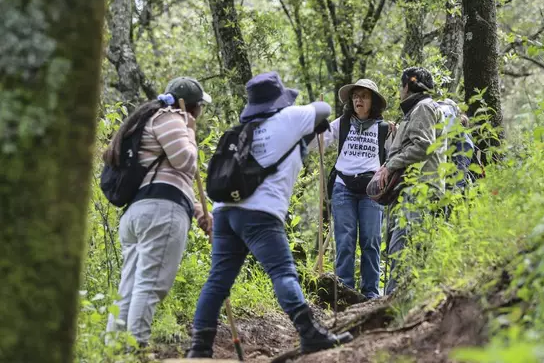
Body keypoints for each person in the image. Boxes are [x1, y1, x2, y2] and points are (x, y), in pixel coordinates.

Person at [186, 72, 352, 359]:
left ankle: (199, 348)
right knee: (282, 272)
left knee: (218, 280)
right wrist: (306, 119)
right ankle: (310, 334)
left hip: (225, 212)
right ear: (278, 101)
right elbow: (323, 110)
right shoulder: (288, 119)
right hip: (260, 214)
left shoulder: (243, 129)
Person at [105, 77, 214, 347]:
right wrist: (189, 131)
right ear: (192, 106)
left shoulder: (152, 119)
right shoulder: (172, 118)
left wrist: (198, 210)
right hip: (161, 214)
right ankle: (135, 348)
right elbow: (185, 160)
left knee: (130, 285)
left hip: (141, 212)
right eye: (200, 106)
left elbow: (170, 177)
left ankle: (114, 348)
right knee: (150, 284)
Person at [311, 79, 390, 299]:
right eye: (355, 96)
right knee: (344, 240)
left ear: (372, 101)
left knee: (371, 241)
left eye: (364, 96)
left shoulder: (384, 128)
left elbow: (395, 158)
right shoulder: (341, 124)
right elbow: (316, 146)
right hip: (343, 186)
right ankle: (344, 290)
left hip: (372, 190)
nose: (358, 100)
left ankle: (371, 295)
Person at [376, 67, 446, 295]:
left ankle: (393, 306)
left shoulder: (423, 107)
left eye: (401, 85)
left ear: (407, 86)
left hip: (420, 190)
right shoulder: (417, 109)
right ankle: (402, 302)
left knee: (403, 248)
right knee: (406, 248)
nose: (399, 90)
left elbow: (423, 146)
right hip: (413, 190)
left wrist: (390, 165)